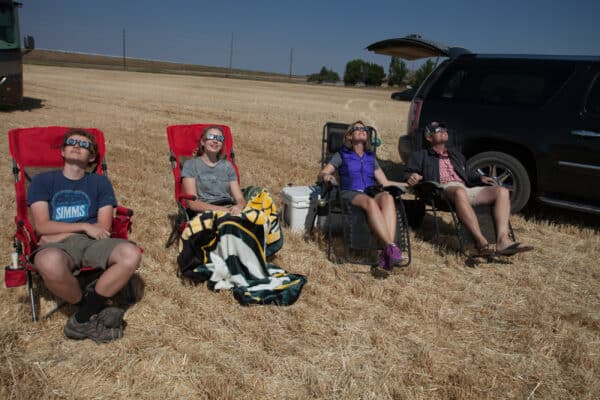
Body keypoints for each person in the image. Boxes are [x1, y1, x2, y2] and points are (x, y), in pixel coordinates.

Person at [28, 128, 141, 343]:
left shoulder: (99, 183)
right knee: (49, 262)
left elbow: (103, 226)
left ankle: (80, 320)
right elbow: (42, 226)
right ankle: (90, 309)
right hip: (59, 247)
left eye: (84, 145)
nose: (77, 146)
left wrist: (61, 232)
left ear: (92, 157)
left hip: (91, 243)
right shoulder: (42, 181)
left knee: (131, 253)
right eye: (71, 142)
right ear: (62, 151)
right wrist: (81, 227)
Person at [402, 121, 533, 256]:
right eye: (438, 130)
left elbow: (467, 173)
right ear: (429, 138)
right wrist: (413, 176)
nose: (443, 131)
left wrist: (479, 178)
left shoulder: (456, 155)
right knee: (459, 192)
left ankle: (503, 241)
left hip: (464, 189)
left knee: (502, 191)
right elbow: (407, 173)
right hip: (441, 190)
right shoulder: (420, 156)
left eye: (444, 129)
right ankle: (481, 242)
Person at [318, 121, 406, 276]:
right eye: (356, 129)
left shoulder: (371, 158)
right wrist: (327, 177)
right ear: (350, 136)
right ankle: (391, 248)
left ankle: (388, 250)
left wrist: (407, 184)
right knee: (370, 202)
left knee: (388, 198)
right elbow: (323, 173)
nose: (361, 130)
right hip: (349, 193)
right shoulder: (342, 155)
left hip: (370, 192)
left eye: (364, 129)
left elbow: (385, 182)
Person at [181, 125, 246, 216]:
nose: (215, 141)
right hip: (204, 212)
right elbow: (192, 203)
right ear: (203, 142)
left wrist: (240, 206)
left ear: (222, 144)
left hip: (228, 207)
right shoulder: (191, 165)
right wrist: (224, 210)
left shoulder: (227, 166)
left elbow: (239, 198)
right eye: (211, 137)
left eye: (219, 138)